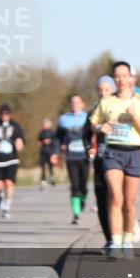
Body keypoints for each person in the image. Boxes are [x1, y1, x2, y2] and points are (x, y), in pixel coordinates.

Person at [90, 61, 140, 259]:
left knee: (129, 202)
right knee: (115, 196)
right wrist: (100, 127)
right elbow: (93, 122)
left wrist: (134, 115)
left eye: (124, 75)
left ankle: (127, 239)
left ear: (130, 78)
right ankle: (115, 241)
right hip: (113, 152)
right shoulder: (106, 102)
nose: (120, 80)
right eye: (116, 76)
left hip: (135, 152)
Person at [83, 75, 116, 249]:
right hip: (101, 157)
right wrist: (89, 147)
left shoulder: (121, 107)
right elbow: (85, 134)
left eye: (107, 90)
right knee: (102, 198)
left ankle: (123, 233)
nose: (103, 93)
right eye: (100, 90)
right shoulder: (94, 111)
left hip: (119, 156)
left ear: (113, 90)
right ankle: (110, 238)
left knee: (117, 197)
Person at [57, 95, 90, 224]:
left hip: (84, 157)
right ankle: (76, 214)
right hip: (71, 157)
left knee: (84, 187)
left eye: (77, 102)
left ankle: (82, 200)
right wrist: (59, 148)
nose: (75, 104)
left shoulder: (87, 117)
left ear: (82, 104)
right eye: (73, 102)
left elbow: (92, 134)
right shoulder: (63, 119)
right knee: (74, 186)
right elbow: (58, 137)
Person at [37, 118, 57, 190]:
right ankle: (43, 182)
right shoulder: (41, 133)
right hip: (43, 152)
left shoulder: (52, 133)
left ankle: (52, 178)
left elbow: (55, 142)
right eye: (44, 124)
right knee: (43, 167)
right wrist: (41, 143)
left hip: (50, 152)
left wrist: (50, 141)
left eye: (46, 124)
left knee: (50, 166)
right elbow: (39, 142)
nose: (45, 126)